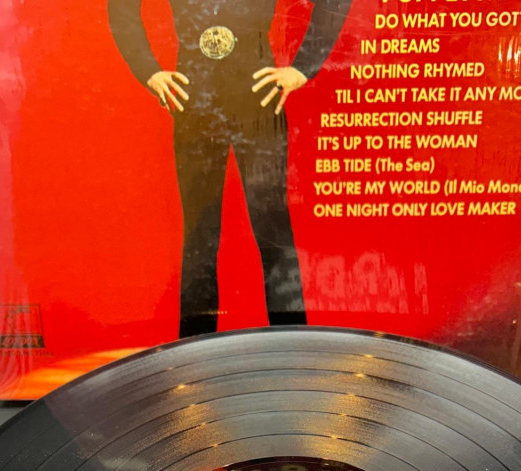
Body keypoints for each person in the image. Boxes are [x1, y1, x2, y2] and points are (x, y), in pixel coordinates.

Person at [108, 0, 352, 336]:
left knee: (273, 232)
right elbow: (120, 8)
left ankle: (293, 345)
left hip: (257, 99)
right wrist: (148, 69)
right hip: (196, 101)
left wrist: (302, 68)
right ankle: (195, 349)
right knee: (200, 237)